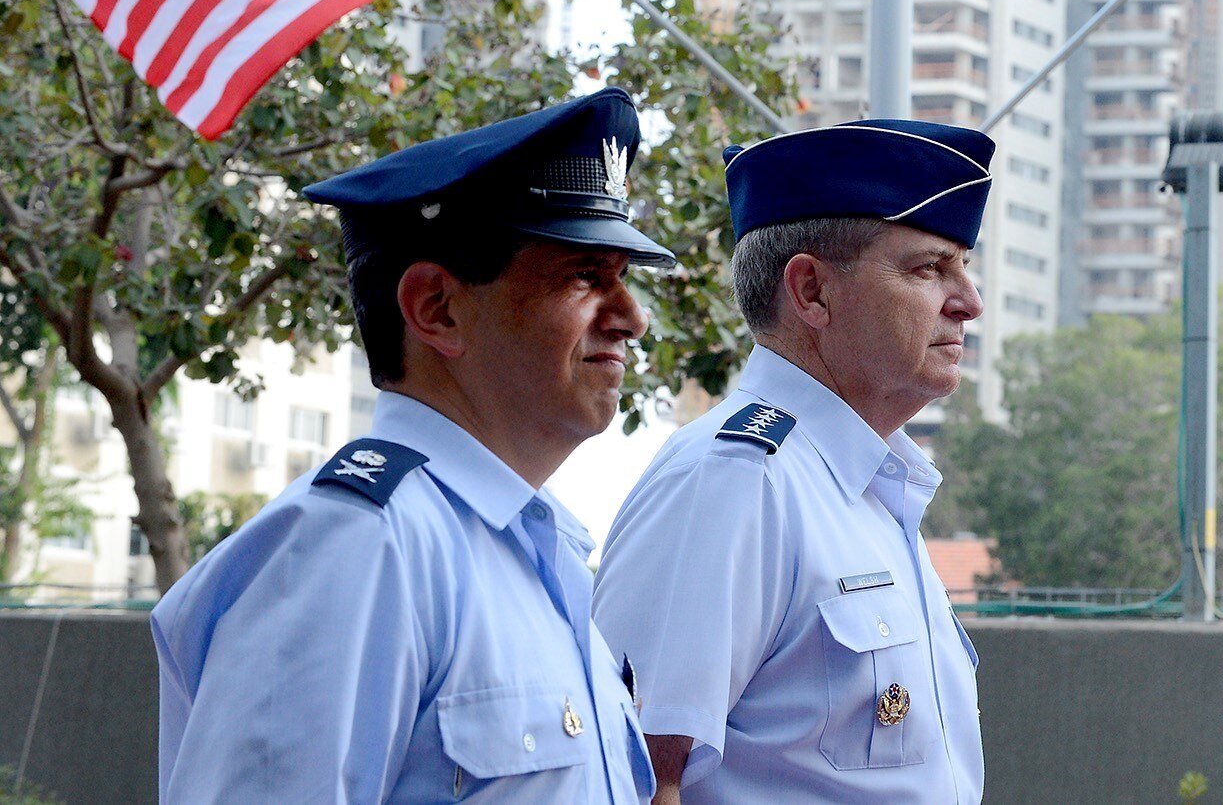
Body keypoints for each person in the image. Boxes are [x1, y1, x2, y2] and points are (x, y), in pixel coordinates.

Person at [151, 88, 671, 804]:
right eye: (586, 275)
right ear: (437, 308)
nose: (632, 318)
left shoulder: (537, 551)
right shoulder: (357, 546)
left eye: (623, 280)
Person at [593, 118, 992, 804]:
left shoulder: (871, 488)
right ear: (810, 291)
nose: (970, 302)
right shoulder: (735, 481)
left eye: (963, 265)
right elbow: (637, 779)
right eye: (929, 268)